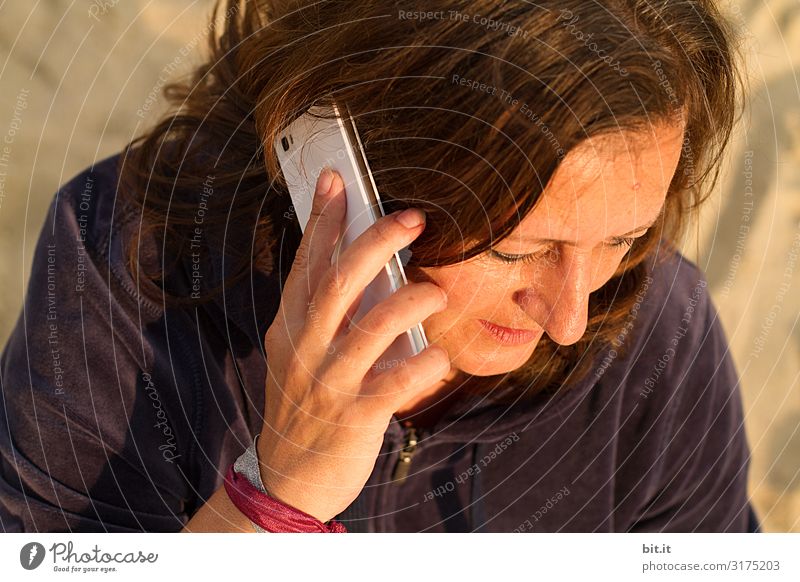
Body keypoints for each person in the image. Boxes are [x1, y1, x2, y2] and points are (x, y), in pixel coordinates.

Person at [0, 0, 758, 532]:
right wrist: (275, 499)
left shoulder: (661, 331)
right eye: (516, 250)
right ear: (350, 164)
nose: (570, 319)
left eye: (625, 237)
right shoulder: (130, 260)